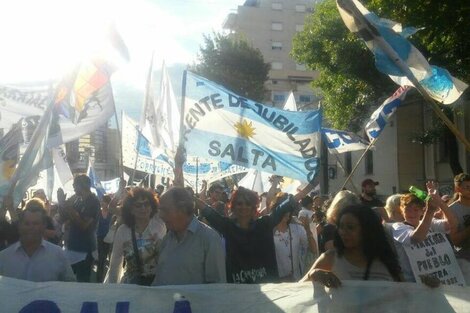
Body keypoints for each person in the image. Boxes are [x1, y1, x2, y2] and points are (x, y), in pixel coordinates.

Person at [199, 183, 315, 284]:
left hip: (268, 293)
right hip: (239, 293)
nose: (243, 206)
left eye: (248, 203)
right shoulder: (228, 226)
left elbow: (287, 205)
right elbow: (207, 211)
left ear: (254, 207)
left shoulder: (264, 224)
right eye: (239, 203)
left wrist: (311, 185)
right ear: (233, 207)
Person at [301, 204, 401, 286]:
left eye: (350, 227)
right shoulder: (330, 258)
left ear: (367, 229)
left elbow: (405, 296)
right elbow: (295, 291)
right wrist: (313, 274)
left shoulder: (387, 261)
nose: (343, 232)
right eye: (341, 227)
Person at [152, 187, 226, 285]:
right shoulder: (167, 239)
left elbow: (217, 287)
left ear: (182, 209)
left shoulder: (209, 239)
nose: (160, 215)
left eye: (165, 210)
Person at [392, 183, 457, 283]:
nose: (411, 213)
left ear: (422, 211)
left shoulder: (430, 222)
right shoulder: (398, 227)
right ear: (401, 210)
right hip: (413, 283)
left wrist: (439, 202)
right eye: (407, 209)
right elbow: (415, 238)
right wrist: (430, 211)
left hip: (439, 279)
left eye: (416, 210)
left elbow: (452, 224)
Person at [0, 199, 75, 282]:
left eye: (36, 223)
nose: (31, 227)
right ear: (19, 226)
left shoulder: (58, 254)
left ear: (44, 226)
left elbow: (70, 284)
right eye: (27, 223)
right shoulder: (4, 257)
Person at [105, 188, 166, 285]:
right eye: (138, 205)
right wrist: (113, 288)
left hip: (158, 284)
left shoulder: (159, 223)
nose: (143, 208)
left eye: (146, 204)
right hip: (132, 286)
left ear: (152, 206)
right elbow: (116, 262)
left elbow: (175, 204)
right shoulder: (123, 231)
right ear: (131, 210)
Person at [57, 174, 100, 282]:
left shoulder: (93, 201)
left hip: (84, 250)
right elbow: (63, 219)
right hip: (72, 247)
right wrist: (61, 203)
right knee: (67, 280)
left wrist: (70, 208)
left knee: (82, 282)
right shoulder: (78, 200)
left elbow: (84, 225)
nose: (73, 188)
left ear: (82, 186)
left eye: (75, 185)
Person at [273, 193, 315, 281]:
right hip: (277, 285)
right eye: (282, 208)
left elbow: (313, 249)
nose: (286, 211)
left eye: (288, 208)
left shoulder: (297, 228)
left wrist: (307, 229)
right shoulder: (269, 232)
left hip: (297, 282)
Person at [449, 173, 470, 260]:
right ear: (458, 189)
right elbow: (454, 241)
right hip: (465, 259)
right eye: (468, 187)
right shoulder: (451, 210)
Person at [96, 194, 113, 283]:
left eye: (104, 201)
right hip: (100, 237)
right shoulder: (98, 213)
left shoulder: (112, 214)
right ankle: (99, 280)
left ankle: (109, 279)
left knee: (111, 259)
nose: (102, 203)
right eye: (102, 201)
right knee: (101, 259)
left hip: (110, 239)